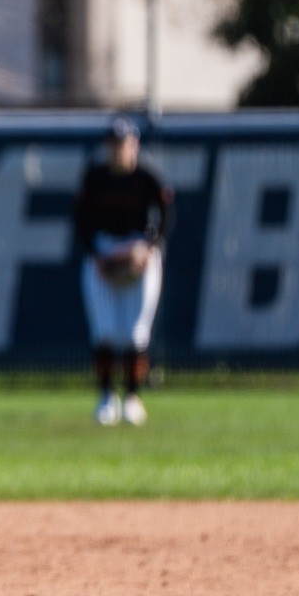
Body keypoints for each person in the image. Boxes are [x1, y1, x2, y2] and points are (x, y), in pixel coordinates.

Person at [73, 115, 173, 426]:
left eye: (126, 144)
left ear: (135, 146)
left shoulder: (147, 176)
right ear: (107, 147)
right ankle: (106, 398)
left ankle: (132, 398)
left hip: (139, 254)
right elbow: (80, 220)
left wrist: (151, 247)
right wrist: (96, 254)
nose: (120, 151)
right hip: (104, 251)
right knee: (103, 331)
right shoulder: (95, 177)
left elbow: (167, 216)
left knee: (135, 333)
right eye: (115, 145)